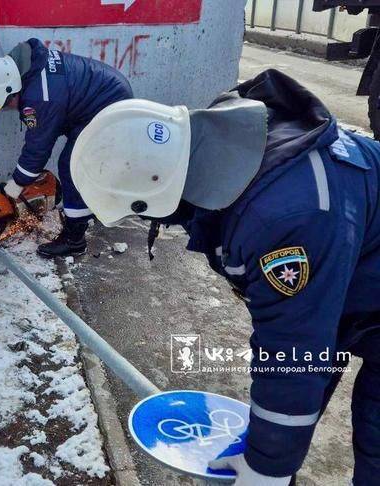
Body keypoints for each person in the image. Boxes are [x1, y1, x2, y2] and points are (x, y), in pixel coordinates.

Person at [70, 69, 380, 485]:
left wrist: (267, 468)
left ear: (157, 190)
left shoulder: (282, 219)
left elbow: (294, 347)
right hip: (353, 284)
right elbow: (304, 349)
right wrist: (269, 444)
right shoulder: (221, 145)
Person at [0, 38, 133, 257]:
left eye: (6, 105)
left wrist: (18, 183)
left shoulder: (40, 96)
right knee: (82, 161)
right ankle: (93, 207)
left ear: (12, 89)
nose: (9, 110)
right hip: (101, 98)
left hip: (109, 105)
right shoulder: (26, 69)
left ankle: (74, 239)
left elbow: (38, 148)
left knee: (72, 164)